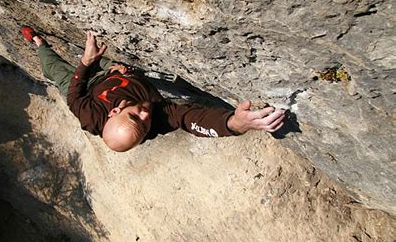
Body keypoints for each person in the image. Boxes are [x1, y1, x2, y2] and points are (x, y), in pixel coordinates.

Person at [21, 27, 285, 152]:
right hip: (117, 76)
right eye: (145, 126)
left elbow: (74, 94)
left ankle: (39, 44)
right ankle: (45, 46)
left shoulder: (89, 117)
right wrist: (235, 123)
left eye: (135, 116)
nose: (147, 116)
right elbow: (191, 120)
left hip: (90, 84)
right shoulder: (158, 119)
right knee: (109, 67)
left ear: (114, 111)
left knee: (55, 70)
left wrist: (85, 63)